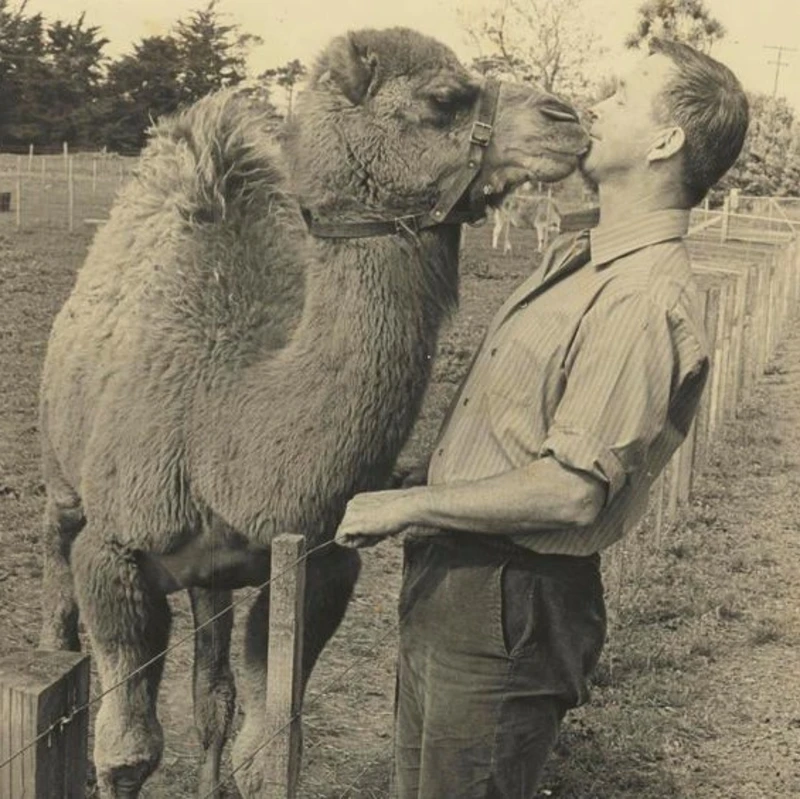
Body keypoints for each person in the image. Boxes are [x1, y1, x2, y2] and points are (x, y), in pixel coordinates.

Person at [335, 37, 749, 798]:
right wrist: (427, 472)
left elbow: (570, 492)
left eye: (623, 97)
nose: (598, 105)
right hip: (458, 585)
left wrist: (409, 503)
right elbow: (524, 429)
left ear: (666, 142)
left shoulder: (640, 299)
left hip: (509, 601)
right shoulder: (583, 259)